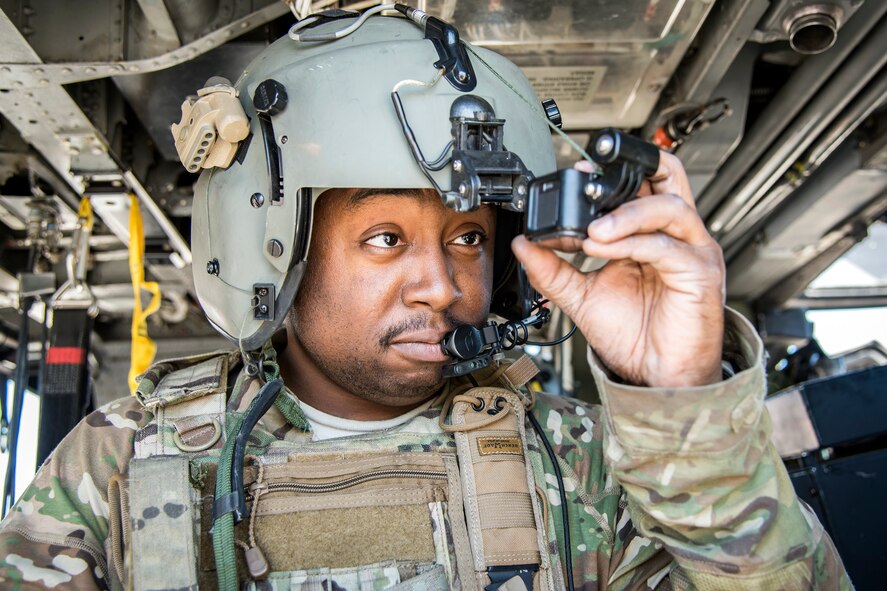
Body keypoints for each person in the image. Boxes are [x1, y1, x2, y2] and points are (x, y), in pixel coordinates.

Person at [0, 8, 851, 591]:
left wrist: (680, 400)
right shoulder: (117, 464)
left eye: (468, 237)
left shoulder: (584, 461)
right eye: (384, 239)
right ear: (274, 249)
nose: (443, 285)